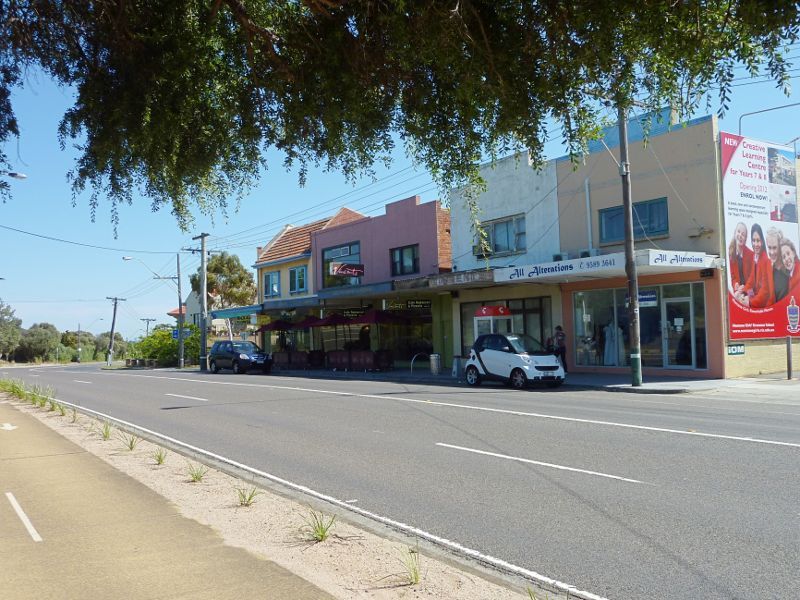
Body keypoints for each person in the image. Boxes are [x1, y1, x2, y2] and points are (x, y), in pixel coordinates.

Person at [736, 224, 773, 308]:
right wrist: (745, 293)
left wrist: (750, 302)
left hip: (763, 306)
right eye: (753, 240)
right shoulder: (755, 257)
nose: (756, 244)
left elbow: (765, 291)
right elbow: (751, 280)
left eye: (758, 240)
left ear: (762, 242)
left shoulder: (766, 261)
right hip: (756, 300)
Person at [728, 221, 754, 291]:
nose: (740, 235)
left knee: (747, 301)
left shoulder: (751, 254)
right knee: (735, 298)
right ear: (735, 233)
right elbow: (733, 276)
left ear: (745, 238)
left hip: (749, 290)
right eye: (738, 232)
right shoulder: (731, 253)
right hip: (738, 290)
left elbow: (752, 277)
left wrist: (745, 289)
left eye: (743, 234)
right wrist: (735, 284)